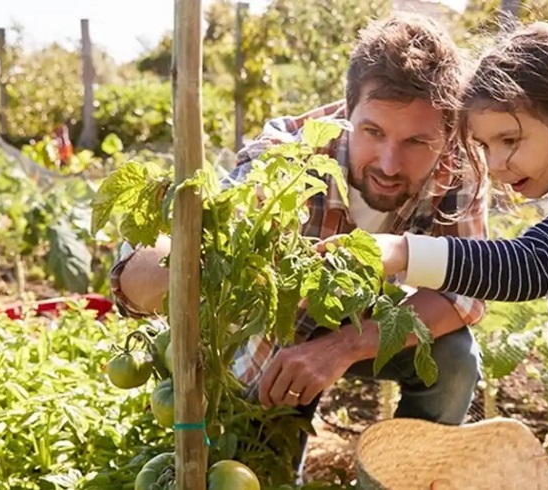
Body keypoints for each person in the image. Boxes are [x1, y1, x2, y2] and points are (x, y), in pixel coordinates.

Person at [108, 13, 487, 473]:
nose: (389, 163)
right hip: (281, 337)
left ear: (447, 134)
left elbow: (463, 293)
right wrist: (190, 264)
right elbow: (140, 272)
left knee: (454, 359)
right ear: (347, 112)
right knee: (260, 469)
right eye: (373, 132)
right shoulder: (289, 156)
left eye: (416, 142)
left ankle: (403, 478)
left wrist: (342, 347)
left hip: (370, 320)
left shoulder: (459, 166)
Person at [319, 22, 548, 490]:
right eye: (485, 145)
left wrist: (402, 251)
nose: (494, 165)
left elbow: (526, 266)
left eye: (510, 141)